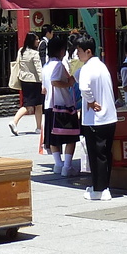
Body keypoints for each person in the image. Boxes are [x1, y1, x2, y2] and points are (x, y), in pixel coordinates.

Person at [73, 33, 117, 201]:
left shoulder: (87, 69)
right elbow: (77, 76)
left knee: (96, 154)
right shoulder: (101, 66)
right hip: (110, 118)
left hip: (95, 119)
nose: (77, 54)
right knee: (106, 153)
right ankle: (104, 186)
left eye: (79, 50)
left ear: (88, 51)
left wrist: (90, 101)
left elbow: (83, 88)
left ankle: (98, 189)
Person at [44, 29, 83, 177]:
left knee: (54, 138)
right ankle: (67, 166)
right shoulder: (58, 65)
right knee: (70, 136)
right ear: (61, 51)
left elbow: (44, 88)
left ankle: (58, 164)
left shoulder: (46, 66)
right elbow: (55, 82)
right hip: (63, 105)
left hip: (50, 105)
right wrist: (69, 83)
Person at [7, 32, 44, 137]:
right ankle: (14, 121)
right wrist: (43, 82)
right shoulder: (34, 53)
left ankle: (38, 127)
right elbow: (38, 69)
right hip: (35, 81)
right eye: (36, 39)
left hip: (24, 80)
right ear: (32, 41)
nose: (38, 41)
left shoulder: (21, 51)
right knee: (30, 105)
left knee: (36, 104)